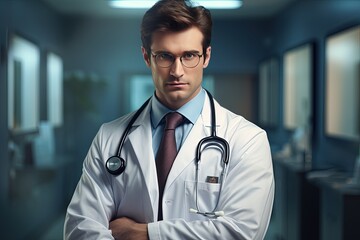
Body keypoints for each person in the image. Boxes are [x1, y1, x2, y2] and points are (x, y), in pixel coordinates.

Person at [64, 0, 274, 239]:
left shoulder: (247, 139)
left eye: (189, 56)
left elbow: (242, 232)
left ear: (206, 57)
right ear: (147, 57)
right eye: (165, 56)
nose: (177, 71)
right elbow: (80, 228)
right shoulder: (110, 137)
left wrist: (145, 234)